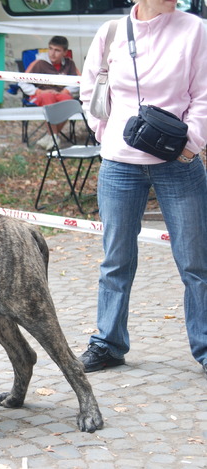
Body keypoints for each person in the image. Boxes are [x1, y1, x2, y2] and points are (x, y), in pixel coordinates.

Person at [78, 0, 207, 377]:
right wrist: (107, 133)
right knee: (115, 260)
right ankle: (108, 344)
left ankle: (205, 346)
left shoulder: (196, 29)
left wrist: (190, 143)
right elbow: (91, 89)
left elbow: (203, 94)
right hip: (119, 165)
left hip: (178, 163)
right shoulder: (112, 32)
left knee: (195, 262)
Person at [17, 36, 81, 149]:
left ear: (65, 52)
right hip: (41, 95)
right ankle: (54, 136)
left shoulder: (69, 63)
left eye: (57, 50)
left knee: (69, 101)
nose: (52, 53)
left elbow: (79, 81)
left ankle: (51, 136)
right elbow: (22, 82)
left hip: (61, 94)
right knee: (48, 96)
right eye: (50, 49)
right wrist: (38, 91)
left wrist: (66, 90)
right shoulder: (39, 63)